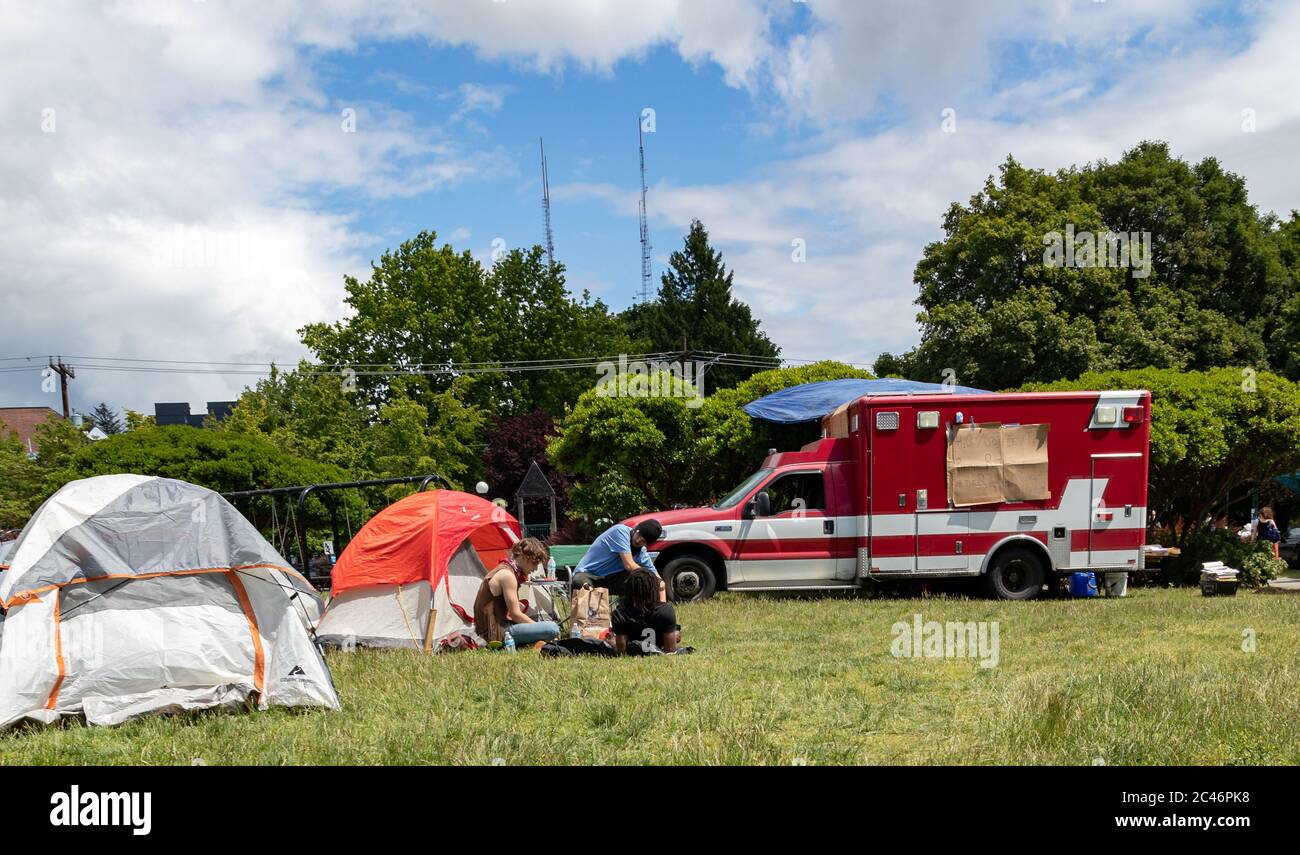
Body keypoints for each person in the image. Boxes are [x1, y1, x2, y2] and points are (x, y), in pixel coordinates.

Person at [473, 537, 560, 647]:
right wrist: (537, 628)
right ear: (524, 557)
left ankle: (534, 640)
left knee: (540, 625)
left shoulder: (504, 569)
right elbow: (515, 615)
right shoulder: (508, 576)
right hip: (496, 634)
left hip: (489, 630)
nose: (535, 568)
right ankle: (536, 640)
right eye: (534, 563)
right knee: (552, 628)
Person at [570, 519, 665, 599]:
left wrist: (663, 610)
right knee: (579, 581)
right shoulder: (620, 532)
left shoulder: (641, 552)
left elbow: (659, 582)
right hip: (588, 575)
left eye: (643, 541)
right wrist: (650, 577)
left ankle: (626, 616)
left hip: (609, 580)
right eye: (639, 535)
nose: (638, 541)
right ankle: (588, 619)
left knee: (638, 581)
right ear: (636, 529)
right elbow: (629, 565)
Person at [611, 568, 680, 654]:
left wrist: (612, 641)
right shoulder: (666, 610)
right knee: (676, 633)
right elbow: (670, 650)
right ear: (653, 588)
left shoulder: (619, 614)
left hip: (634, 649)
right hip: (658, 648)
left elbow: (621, 652)